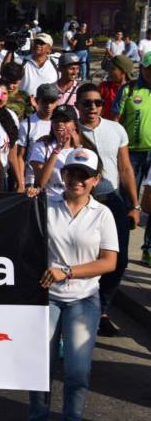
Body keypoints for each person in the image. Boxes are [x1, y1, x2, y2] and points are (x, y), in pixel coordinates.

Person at [28, 148, 117, 421]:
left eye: (84, 175)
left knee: (77, 371)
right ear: (63, 174)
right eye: (71, 173)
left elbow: (108, 262)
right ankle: (38, 416)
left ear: (95, 179)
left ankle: (72, 417)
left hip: (84, 298)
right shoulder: (45, 205)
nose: (76, 179)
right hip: (47, 297)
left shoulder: (102, 214)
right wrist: (26, 200)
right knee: (41, 367)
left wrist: (66, 271)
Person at [76, 83, 139, 337]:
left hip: (112, 200)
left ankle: (102, 308)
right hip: (83, 202)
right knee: (85, 256)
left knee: (119, 258)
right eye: (87, 103)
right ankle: (83, 308)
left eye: (97, 102)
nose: (93, 107)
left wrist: (134, 205)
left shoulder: (116, 129)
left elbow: (125, 168)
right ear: (78, 105)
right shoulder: (72, 130)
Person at [113, 51, 151, 262]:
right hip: (132, 153)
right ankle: (120, 247)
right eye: (149, 69)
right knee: (129, 201)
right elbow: (116, 120)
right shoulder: (128, 89)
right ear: (142, 69)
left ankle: (149, 248)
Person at [30, 105, 96, 196]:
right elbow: (40, 182)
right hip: (51, 202)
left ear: (75, 125)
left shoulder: (85, 148)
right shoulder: (42, 146)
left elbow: (89, 179)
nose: (60, 123)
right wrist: (57, 149)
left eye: (65, 121)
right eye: (56, 120)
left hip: (76, 201)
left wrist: (78, 149)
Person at [15, 83, 59, 190]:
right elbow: (20, 156)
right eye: (44, 101)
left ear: (57, 102)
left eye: (52, 102)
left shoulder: (60, 122)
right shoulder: (26, 124)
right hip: (32, 179)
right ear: (36, 101)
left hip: (56, 179)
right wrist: (21, 183)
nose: (48, 106)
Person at [6, 33, 58, 99]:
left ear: (49, 49)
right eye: (36, 42)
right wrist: (10, 50)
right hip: (22, 105)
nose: (38, 45)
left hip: (45, 107)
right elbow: (5, 72)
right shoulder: (20, 61)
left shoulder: (56, 64)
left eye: (42, 43)